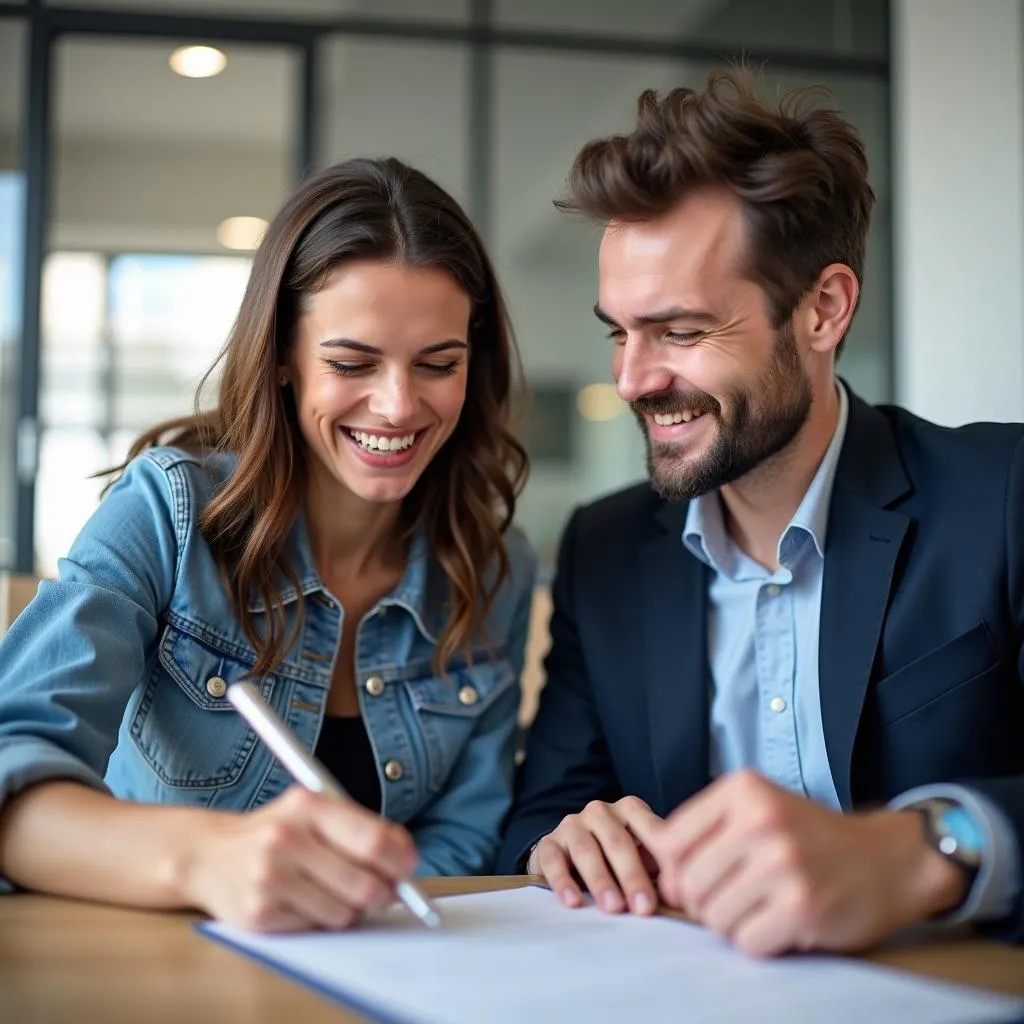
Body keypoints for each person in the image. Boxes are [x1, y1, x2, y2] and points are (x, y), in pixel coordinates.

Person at [498, 69, 1024, 955]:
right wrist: (567, 843)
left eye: (682, 331)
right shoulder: (607, 546)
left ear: (823, 310)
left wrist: (929, 847)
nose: (631, 380)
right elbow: (545, 810)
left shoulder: (1002, 492)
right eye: (618, 333)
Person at [0, 157, 536, 932]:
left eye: (438, 365)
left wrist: (353, 905)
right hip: (160, 970)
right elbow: (12, 760)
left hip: (389, 967)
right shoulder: (168, 511)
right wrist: (206, 857)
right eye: (351, 362)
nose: (397, 406)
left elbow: (465, 835)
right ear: (283, 355)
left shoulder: (496, 566)